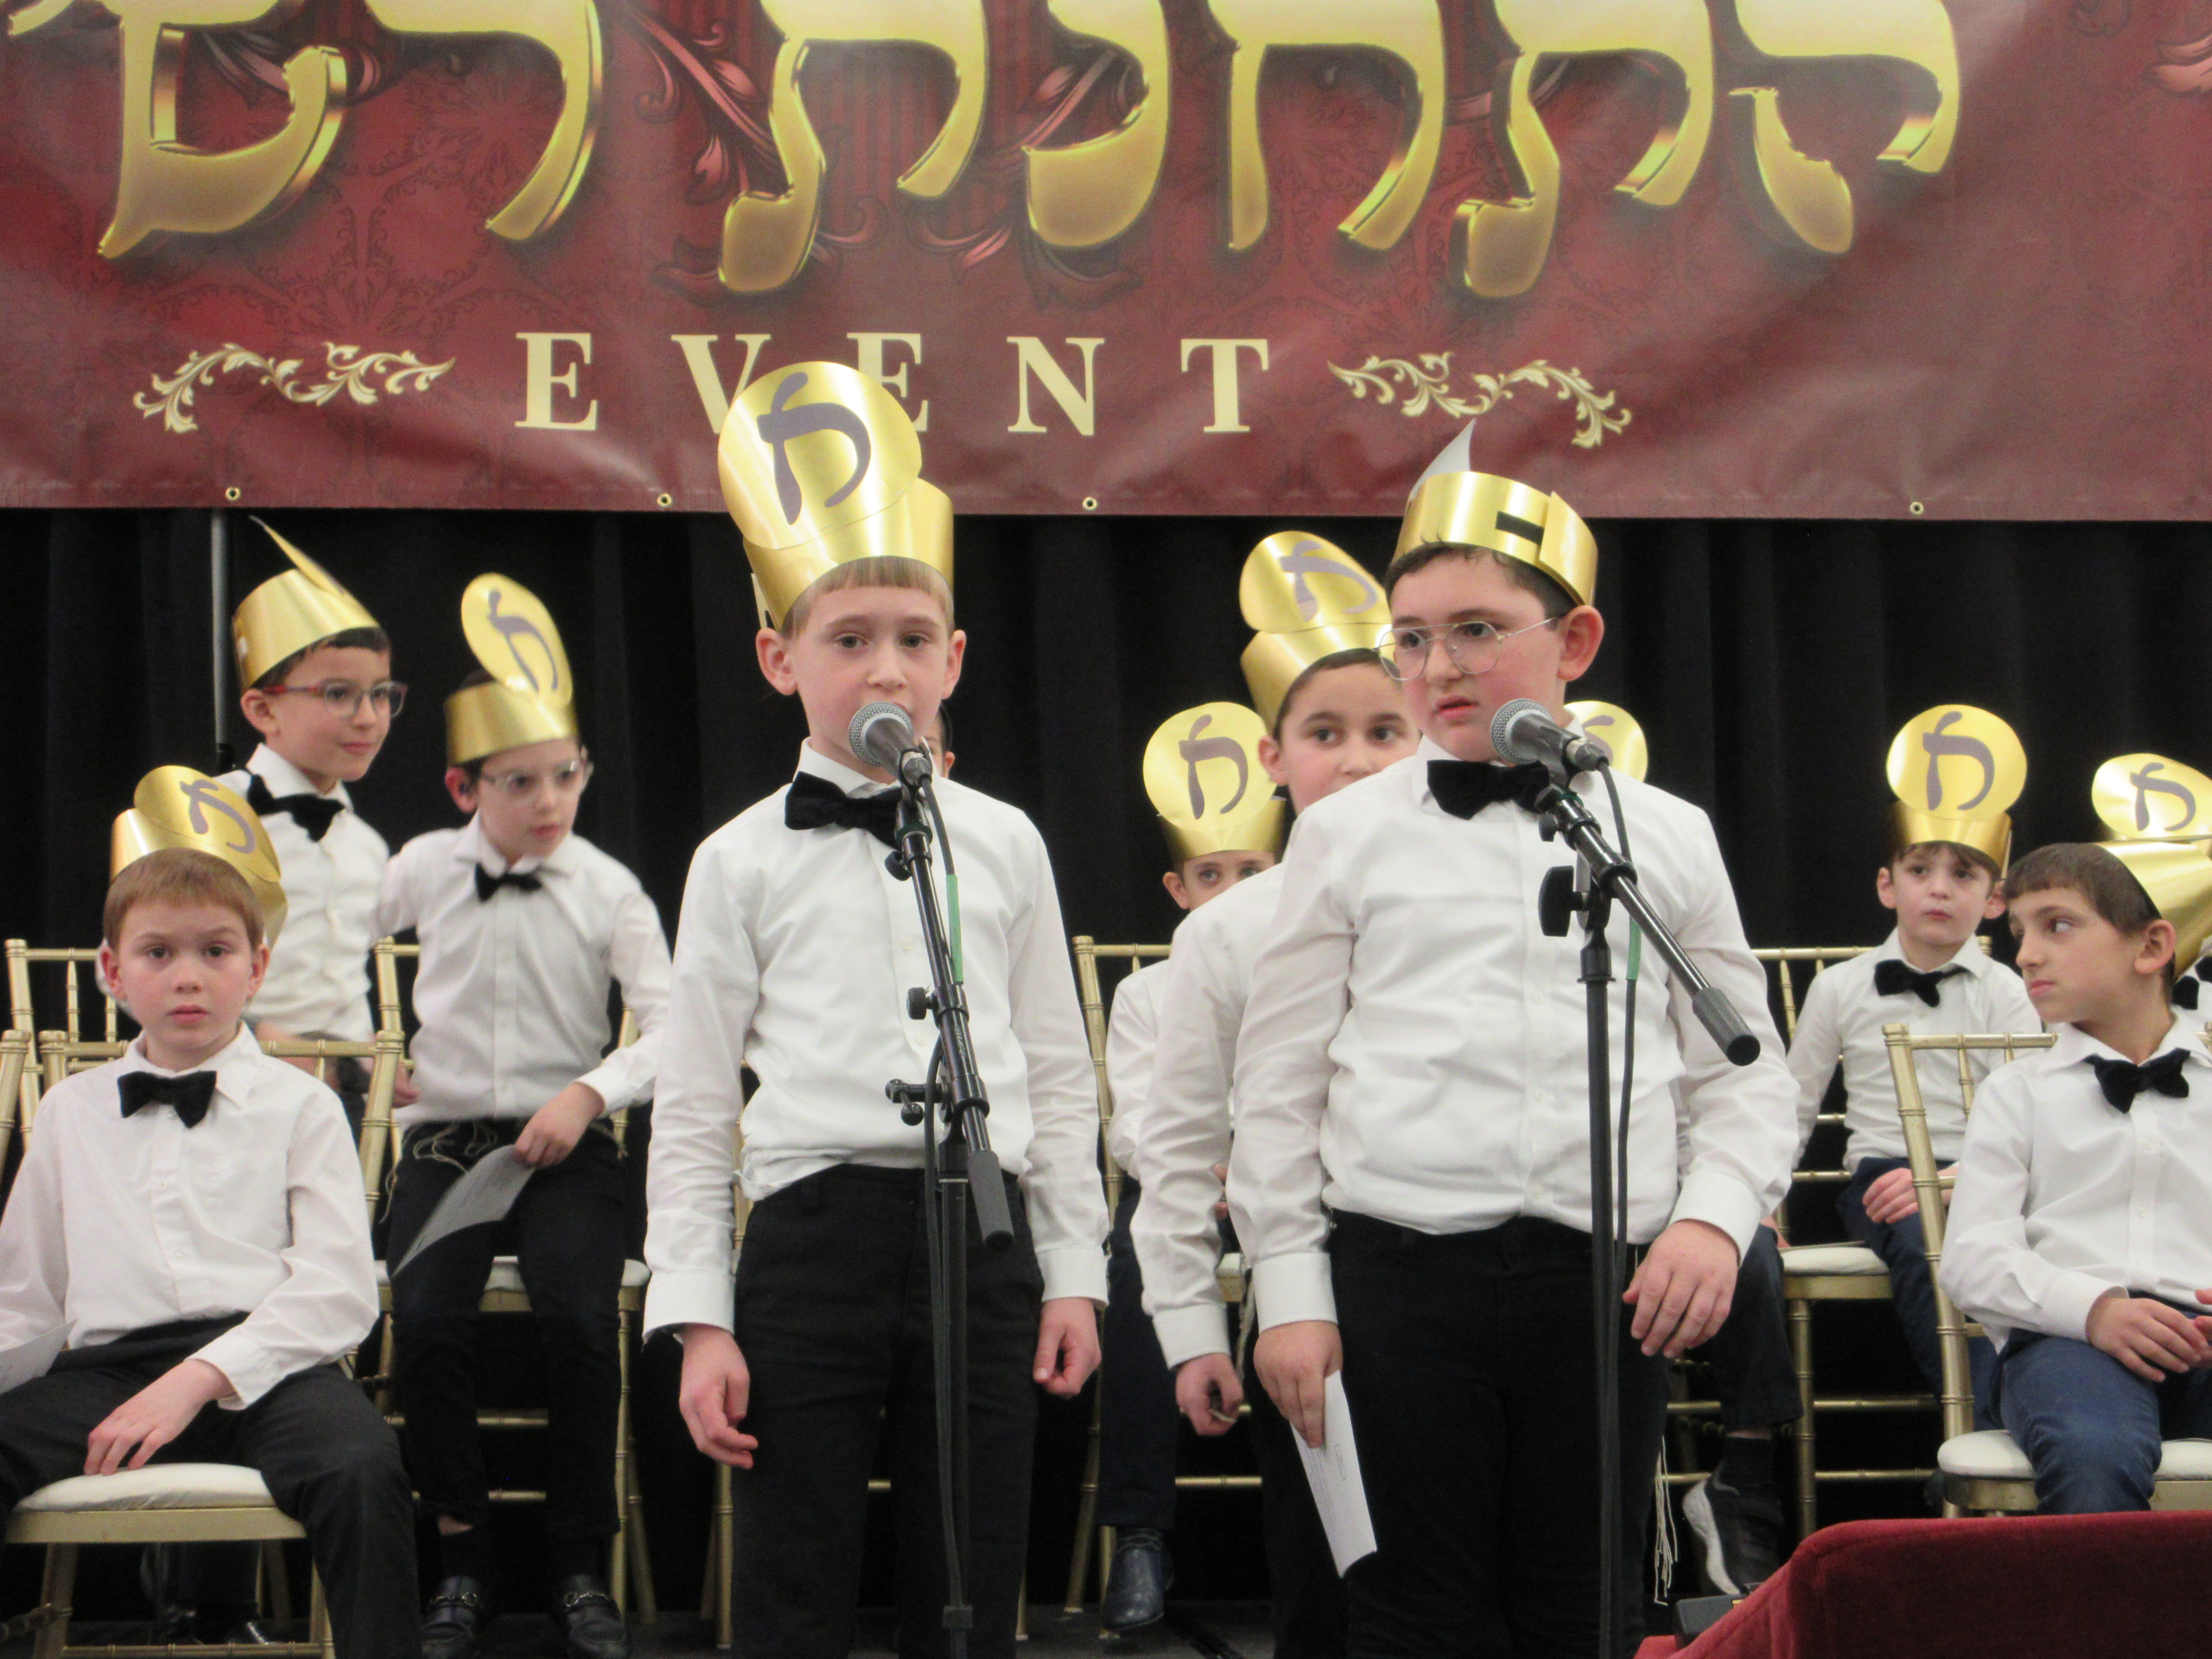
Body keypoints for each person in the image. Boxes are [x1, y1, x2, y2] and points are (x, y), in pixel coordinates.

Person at [1228, 437, 1799, 1659]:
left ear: (1573, 642)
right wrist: (1290, 1292)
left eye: (1477, 631)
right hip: (1399, 1279)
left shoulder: (1666, 835)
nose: (1439, 666)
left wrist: (1713, 1220)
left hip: (1603, 1289)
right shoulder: (1346, 836)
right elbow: (1277, 1088)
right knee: (1410, 1615)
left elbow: (1745, 1072)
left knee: (1584, 1608)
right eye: (1413, 637)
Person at [645, 361, 1108, 1658]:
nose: (885, 670)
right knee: (794, 1576)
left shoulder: (1005, 840)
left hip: (985, 1231)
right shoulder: (736, 860)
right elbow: (694, 1101)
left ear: (953, 660)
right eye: (848, 642)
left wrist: (1074, 1271)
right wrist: (700, 1319)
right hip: (812, 1236)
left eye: (912, 640)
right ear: (779, 658)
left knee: (971, 1572)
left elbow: (1058, 1069)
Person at [0, 776, 413, 1659]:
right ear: (113, 970)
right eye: (157, 953)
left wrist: (197, 1379)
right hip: (109, 1369)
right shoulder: (71, 1111)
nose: (187, 976)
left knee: (361, 1466)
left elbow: (337, 1293)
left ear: (257, 967)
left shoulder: (303, 1107)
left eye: (216, 951)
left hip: (270, 1366)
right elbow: (28, 1299)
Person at [1131, 531, 1414, 1656]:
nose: (1356, 762)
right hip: (1307, 1287)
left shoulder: (1474, 908)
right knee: (1326, 1581)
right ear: (1273, 758)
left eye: (1383, 731)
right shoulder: (1228, 933)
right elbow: (1179, 1139)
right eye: (1325, 735)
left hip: (1456, 1277)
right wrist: (1192, 1326)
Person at [377, 576, 669, 1659]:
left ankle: (577, 1562)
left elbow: (678, 1027)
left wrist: (590, 1092)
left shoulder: (609, 887)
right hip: (447, 1142)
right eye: (521, 782)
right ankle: (461, 1555)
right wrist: (363, 1059)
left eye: (567, 775)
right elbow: (308, 951)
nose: (550, 801)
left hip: (568, 1148)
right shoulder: (420, 868)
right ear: (465, 786)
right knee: (426, 1322)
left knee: (582, 1322)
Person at [1941, 838, 2212, 1513]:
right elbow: (1973, 1257)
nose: (2027, 955)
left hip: (2202, 1330)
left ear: (2151, 947)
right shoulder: (2017, 1093)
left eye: (2057, 926)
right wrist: (2094, 1310)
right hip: (2069, 1341)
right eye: (2020, 933)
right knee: (2093, 1449)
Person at [1095, 699, 1285, 1631]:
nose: (1234, 892)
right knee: (1139, 1267)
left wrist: (1259, 1170)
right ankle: (1140, 1534)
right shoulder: (1148, 995)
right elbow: (1136, 1125)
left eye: (1253, 873)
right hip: (1191, 1194)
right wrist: (1209, 1173)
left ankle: (1335, 1540)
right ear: (1179, 888)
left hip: (1292, 1193)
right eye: (1213, 875)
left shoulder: (1315, 970)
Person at [221, 520, 403, 1135]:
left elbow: (348, 979)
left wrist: (371, 1057)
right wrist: (256, 1034)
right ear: (263, 709)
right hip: (229, 1087)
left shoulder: (368, 844)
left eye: (382, 694)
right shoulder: (211, 816)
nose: (369, 718)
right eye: (339, 694)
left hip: (341, 1101)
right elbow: (125, 973)